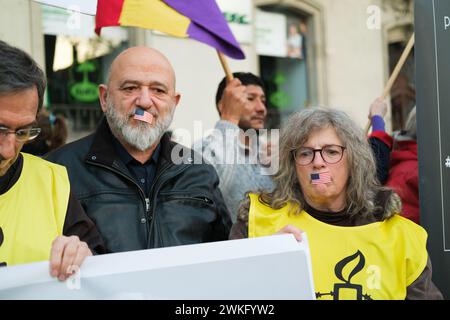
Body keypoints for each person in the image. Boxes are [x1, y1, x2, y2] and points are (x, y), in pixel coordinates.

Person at [230, 107, 442, 299]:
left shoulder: (399, 236)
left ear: (354, 162)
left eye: (331, 151)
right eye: (305, 153)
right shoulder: (258, 220)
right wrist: (258, 265)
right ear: (292, 165)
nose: (318, 163)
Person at [47, 46, 231, 253]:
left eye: (158, 91)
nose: (144, 102)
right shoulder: (56, 172)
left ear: (174, 102)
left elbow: (225, 260)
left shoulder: (199, 172)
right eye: (130, 88)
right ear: (104, 98)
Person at [0, 40, 105, 280]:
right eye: (0, 128)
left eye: (22, 132)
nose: (8, 150)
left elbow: (96, 263)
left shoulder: (51, 181)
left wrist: (81, 254)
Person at [194, 72, 275, 222]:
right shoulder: (202, 149)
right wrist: (229, 119)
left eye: (263, 100)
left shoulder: (271, 152)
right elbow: (206, 194)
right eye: (250, 99)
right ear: (223, 105)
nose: (261, 108)